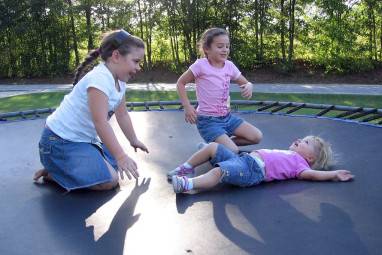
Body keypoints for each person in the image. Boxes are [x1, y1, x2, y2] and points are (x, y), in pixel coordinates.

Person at [33, 29, 149, 191]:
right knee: (110, 180)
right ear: (116, 56)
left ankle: (65, 168)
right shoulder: (99, 80)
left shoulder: (120, 81)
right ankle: (55, 171)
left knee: (115, 165)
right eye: (136, 61)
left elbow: (122, 114)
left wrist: (133, 140)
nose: (138, 67)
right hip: (59, 142)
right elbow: (100, 122)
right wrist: (121, 156)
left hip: (82, 140)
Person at [176, 27, 262, 153]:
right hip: (208, 120)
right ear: (207, 49)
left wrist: (249, 86)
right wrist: (187, 107)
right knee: (233, 150)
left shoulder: (230, 66)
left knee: (256, 136)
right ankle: (219, 148)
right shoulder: (201, 65)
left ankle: (211, 148)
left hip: (227, 118)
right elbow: (180, 83)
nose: (225, 50)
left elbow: (246, 83)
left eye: (227, 46)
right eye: (220, 46)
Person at [168, 136, 354, 193]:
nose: (300, 140)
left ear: (311, 158)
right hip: (243, 159)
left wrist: (334, 174)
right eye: (303, 138)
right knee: (212, 147)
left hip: (251, 171)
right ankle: (185, 168)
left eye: (306, 143)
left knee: (220, 172)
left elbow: (314, 175)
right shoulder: (289, 153)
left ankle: (188, 185)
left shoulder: (301, 166)